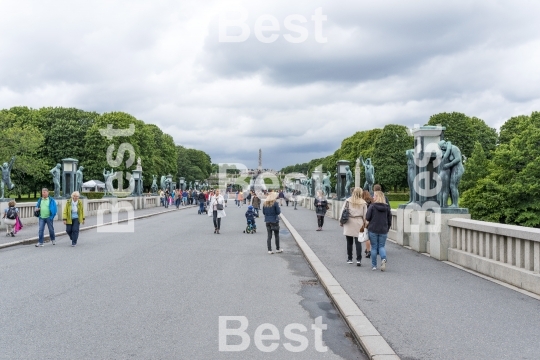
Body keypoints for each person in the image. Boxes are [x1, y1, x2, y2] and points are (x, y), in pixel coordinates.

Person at [339, 188, 367, 266]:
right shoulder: (363, 203)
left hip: (349, 222)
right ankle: (358, 259)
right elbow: (365, 215)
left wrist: (341, 222)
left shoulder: (348, 201)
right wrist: (366, 225)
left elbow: (342, 212)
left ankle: (350, 258)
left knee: (349, 242)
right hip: (359, 221)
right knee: (358, 242)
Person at [366, 190, 392, 271]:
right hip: (383, 229)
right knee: (381, 246)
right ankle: (383, 258)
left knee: (374, 247)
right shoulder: (387, 207)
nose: (373, 197)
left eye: (374, 196)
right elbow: (389, 219)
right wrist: (387, 228)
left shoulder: (372, 206)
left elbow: (367, 217)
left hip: (373, 229)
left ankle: (374, 265)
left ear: (377, 197)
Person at [362, 190, 374, 258]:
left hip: (366, 220)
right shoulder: (372, 202)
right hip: (372, 220)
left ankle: (368, 250)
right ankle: (368, 249)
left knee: (367, 237)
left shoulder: (362, 202)